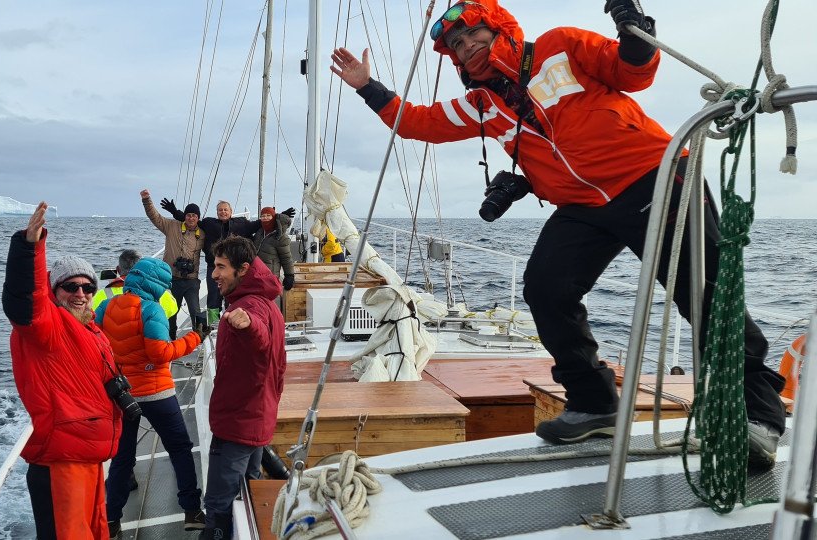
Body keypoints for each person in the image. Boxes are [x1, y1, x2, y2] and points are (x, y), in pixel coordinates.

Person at [330, 0, 786, 471]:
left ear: (497, 26)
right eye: (457, 46)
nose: (467, 48)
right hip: (584, 207)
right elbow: (416, 122)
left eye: (472, 35)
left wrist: (633, 29)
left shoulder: (560, 46)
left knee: (706, 297)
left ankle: (759, 418)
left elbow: (633, 72)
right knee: (546, 289)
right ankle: (594, 403)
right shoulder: (483, 107)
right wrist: (368, 86)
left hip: (655, 177)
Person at [1, 202, 122, 539]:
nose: (81, 294)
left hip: (88, 459)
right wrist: (30, 247)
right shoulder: (47, 327)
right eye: (71, 287)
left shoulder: (90, 328)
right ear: (54, 293)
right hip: (61, 465)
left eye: (88, 287)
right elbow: (25, 299)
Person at [95, 257, 205, 537]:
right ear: (156, 285)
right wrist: (194, 339)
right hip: (156, 392)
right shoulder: (151, 309)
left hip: (122, 396)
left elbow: (97, 346)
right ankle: (191, 511)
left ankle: (111, 520)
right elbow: (160, 354)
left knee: (122, 459)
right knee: (179, 448)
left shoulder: (106, 305)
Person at [199, 236, 287, 539]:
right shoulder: (265, 300)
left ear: (244, 269)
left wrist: (248, 325)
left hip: (238, 422)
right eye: (213, 265)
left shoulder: (250, 307)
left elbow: (259, 337)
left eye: (221, 266)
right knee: (249, 487)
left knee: (219, 504)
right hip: (256, 417)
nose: (214, 274)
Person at [162, 199, 295, 322]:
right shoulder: (209, 223)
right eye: (220, 210)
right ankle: (213, 325)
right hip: (214, 268)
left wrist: (279, 216)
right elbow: (192, 221)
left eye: (226, 209)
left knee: (233, 296)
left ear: (231, 212)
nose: (223, 212)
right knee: (213, 298)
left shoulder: (242, 223)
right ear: (217, 213)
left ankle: (229, 321)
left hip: (234, 269)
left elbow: (263, 222)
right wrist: (174, 211)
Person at [141, 189, 206, 340]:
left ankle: (199, 339)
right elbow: (154, 216)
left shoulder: (202, 234)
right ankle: (170, 340)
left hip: (191, 280)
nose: (191, 218)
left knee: (195, 311)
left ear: (198, 218)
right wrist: (146, 200)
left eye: (194, 216)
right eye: (188, 215)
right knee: (171, 312)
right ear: (185, 216)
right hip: (172, 279)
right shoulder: (172, 226)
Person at [92, 249, 180, 318]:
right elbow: (173, 308)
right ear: (142, 269)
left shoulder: (101, 295)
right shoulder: (159, 293)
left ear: (118, 270)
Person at [251, 207, 295, 292]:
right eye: (263, 216)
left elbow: (286, 258)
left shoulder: (280, 236)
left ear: (273, 217)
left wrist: (289, 275)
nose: (265, 218)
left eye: (268, 215)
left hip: (270, 277)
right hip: (256, 275)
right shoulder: (259, 232)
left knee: (266, 302)